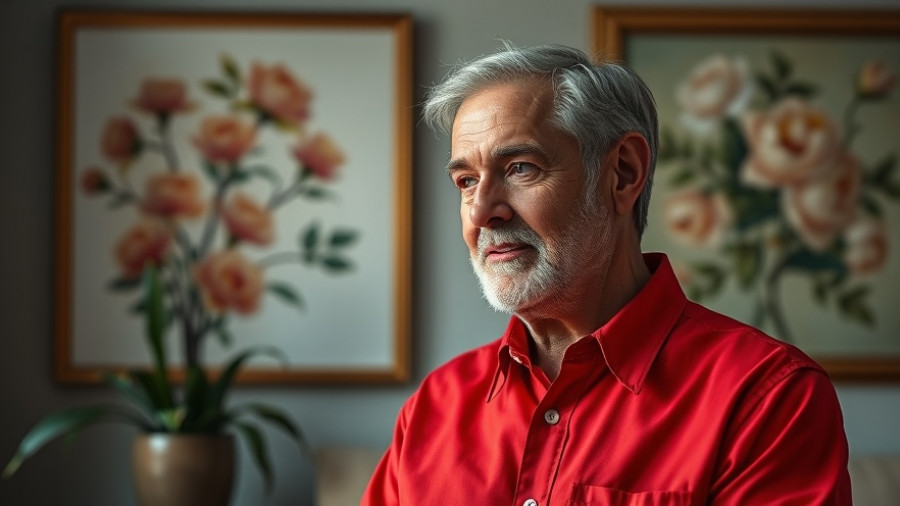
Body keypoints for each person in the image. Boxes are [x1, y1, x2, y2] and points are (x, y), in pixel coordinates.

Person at [362, 43, 851, 505]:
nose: (482, 211)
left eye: (521, 168)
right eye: (466, 181)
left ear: (623, 173)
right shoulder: (434, 406)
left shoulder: (767, 398)